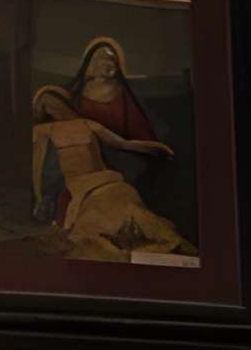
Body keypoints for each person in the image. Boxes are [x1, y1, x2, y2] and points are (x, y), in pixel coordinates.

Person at [29, 87, 189, 261]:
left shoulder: (87, 124)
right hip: (79, 185)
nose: (51, 108)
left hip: (104, 178)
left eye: (51, 102)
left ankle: (153, 243)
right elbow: (37, 165)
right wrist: (38, 197)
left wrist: (154, 148)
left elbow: (123, 143)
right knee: (82, 235)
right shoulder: (44, 130)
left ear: (61, 100)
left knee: (126, 198)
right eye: (44, 107)